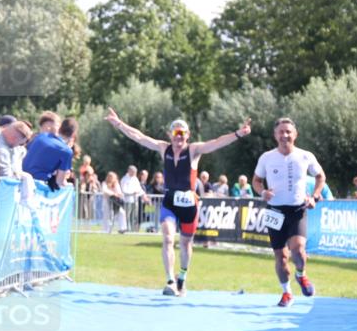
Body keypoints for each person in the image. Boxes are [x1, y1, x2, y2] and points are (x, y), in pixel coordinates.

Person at [106, 109, 251, 296]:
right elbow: (139, 137)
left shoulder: (193, 150)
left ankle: (182, 276)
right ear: (170, 135)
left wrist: (238, 134)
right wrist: (119, 123)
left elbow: (216, 143)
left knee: (186, 244)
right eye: (175, 133)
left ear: (188, 135)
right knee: (167, 238)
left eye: (182, 133)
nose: (179, 137)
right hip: (170, 202)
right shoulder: (162, 147)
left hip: (189, 204)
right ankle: (170, 281)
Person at [252, 117, 326, 308]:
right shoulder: (266, 158)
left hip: (297, 210)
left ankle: (301, 275)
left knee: (298, 250)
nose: (285, 135)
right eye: (281, 132)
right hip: (275, 211)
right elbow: (256, 181)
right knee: (281, 257)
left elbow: (320, 176)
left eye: (288, 132)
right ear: (275, 135)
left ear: (295, 134)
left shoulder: (305, 156)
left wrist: (315, 197)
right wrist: (263, 193)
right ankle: (287, 293)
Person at [23, 117, 77, 191]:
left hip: (20, 180)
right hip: (38, 187)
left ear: (60, 128)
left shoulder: (41, 136)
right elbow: (59, 182)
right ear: (73, 134)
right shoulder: (67, 152)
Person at [120, 165, 144, 230]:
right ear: (129, 171)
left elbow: (139, 188)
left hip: (135, 199)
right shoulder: (124, 179)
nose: (134, 173)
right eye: (133, 172)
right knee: (127, 215)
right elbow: (123, 190)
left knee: (134, 215)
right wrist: (132, 192)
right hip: (128, 200)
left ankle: (133, 229)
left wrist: (142, 194)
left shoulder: (135, 179)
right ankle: (126, 228)